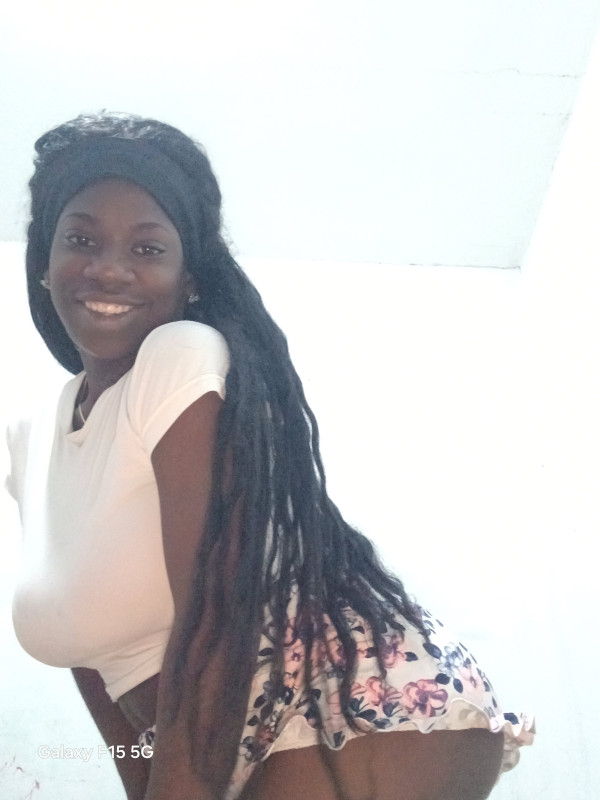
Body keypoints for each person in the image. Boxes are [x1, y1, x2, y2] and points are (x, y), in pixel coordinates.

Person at [5, 112, 533, 800]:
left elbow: (219, 613)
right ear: (43, 264)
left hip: (349, 712)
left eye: (147, 248)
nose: (108, 268)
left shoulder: (177, 357)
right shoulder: (31, 436)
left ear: (189, 279)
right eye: (80, 239)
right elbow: (89, 654)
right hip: (222, 735)